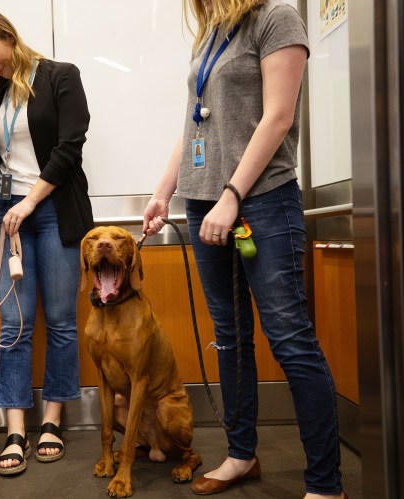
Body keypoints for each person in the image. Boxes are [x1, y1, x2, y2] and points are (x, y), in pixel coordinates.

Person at [142, 1, 346, 498]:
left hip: (263, 202)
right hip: (203, 203)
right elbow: (194, 126)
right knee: (230, 339)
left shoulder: (276, 17)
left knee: (290, 339)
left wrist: (232, 196)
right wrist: (164, 190)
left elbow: (277, 117)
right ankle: (241, 455)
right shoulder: (210, 33)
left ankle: (325, 483)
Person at [0, 7, 93, 476]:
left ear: (8, 37)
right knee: (13, 325)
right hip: (6, 216)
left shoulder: (59, 77)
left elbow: (70, 149)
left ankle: (52, 420)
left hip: (52, 211)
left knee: (59, 320)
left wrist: (30, 202)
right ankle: (16, 427)